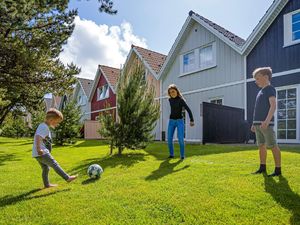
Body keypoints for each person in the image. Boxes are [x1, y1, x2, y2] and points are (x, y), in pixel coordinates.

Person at [32, 108, 77, 188]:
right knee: (54, 164)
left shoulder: (43, 126)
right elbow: (38, 137)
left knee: (46, 168)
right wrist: (39, 149)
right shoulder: (44, 127)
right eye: (57, 122)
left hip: (37, 154)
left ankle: (47, 184)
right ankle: (67, 178)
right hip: (42, 152)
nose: (57, 124)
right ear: (51, 120)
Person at [251, 67, 281, 177]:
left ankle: (278, 170)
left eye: (258, 78)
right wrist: (254, 124)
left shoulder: (270, 89)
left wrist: (267, 121)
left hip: (266, 124)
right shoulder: (260, 92)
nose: (256, 81)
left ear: (266, 77)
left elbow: (273, 105)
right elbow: (257, 109)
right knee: (261, 146)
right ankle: (262, 167)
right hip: (258, 124)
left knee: (272, 145)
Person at [167, 84, 194, 160]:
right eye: (170, 92)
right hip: (171, 121)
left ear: (177, 91)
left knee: (180, 139)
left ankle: (182, 156)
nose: (172, 93)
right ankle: (171, 154)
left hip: (179, 121)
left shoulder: (181, 100)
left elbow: (188, 110)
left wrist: (192, 120)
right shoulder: (170, 100)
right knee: (169, 139)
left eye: (173, 91)